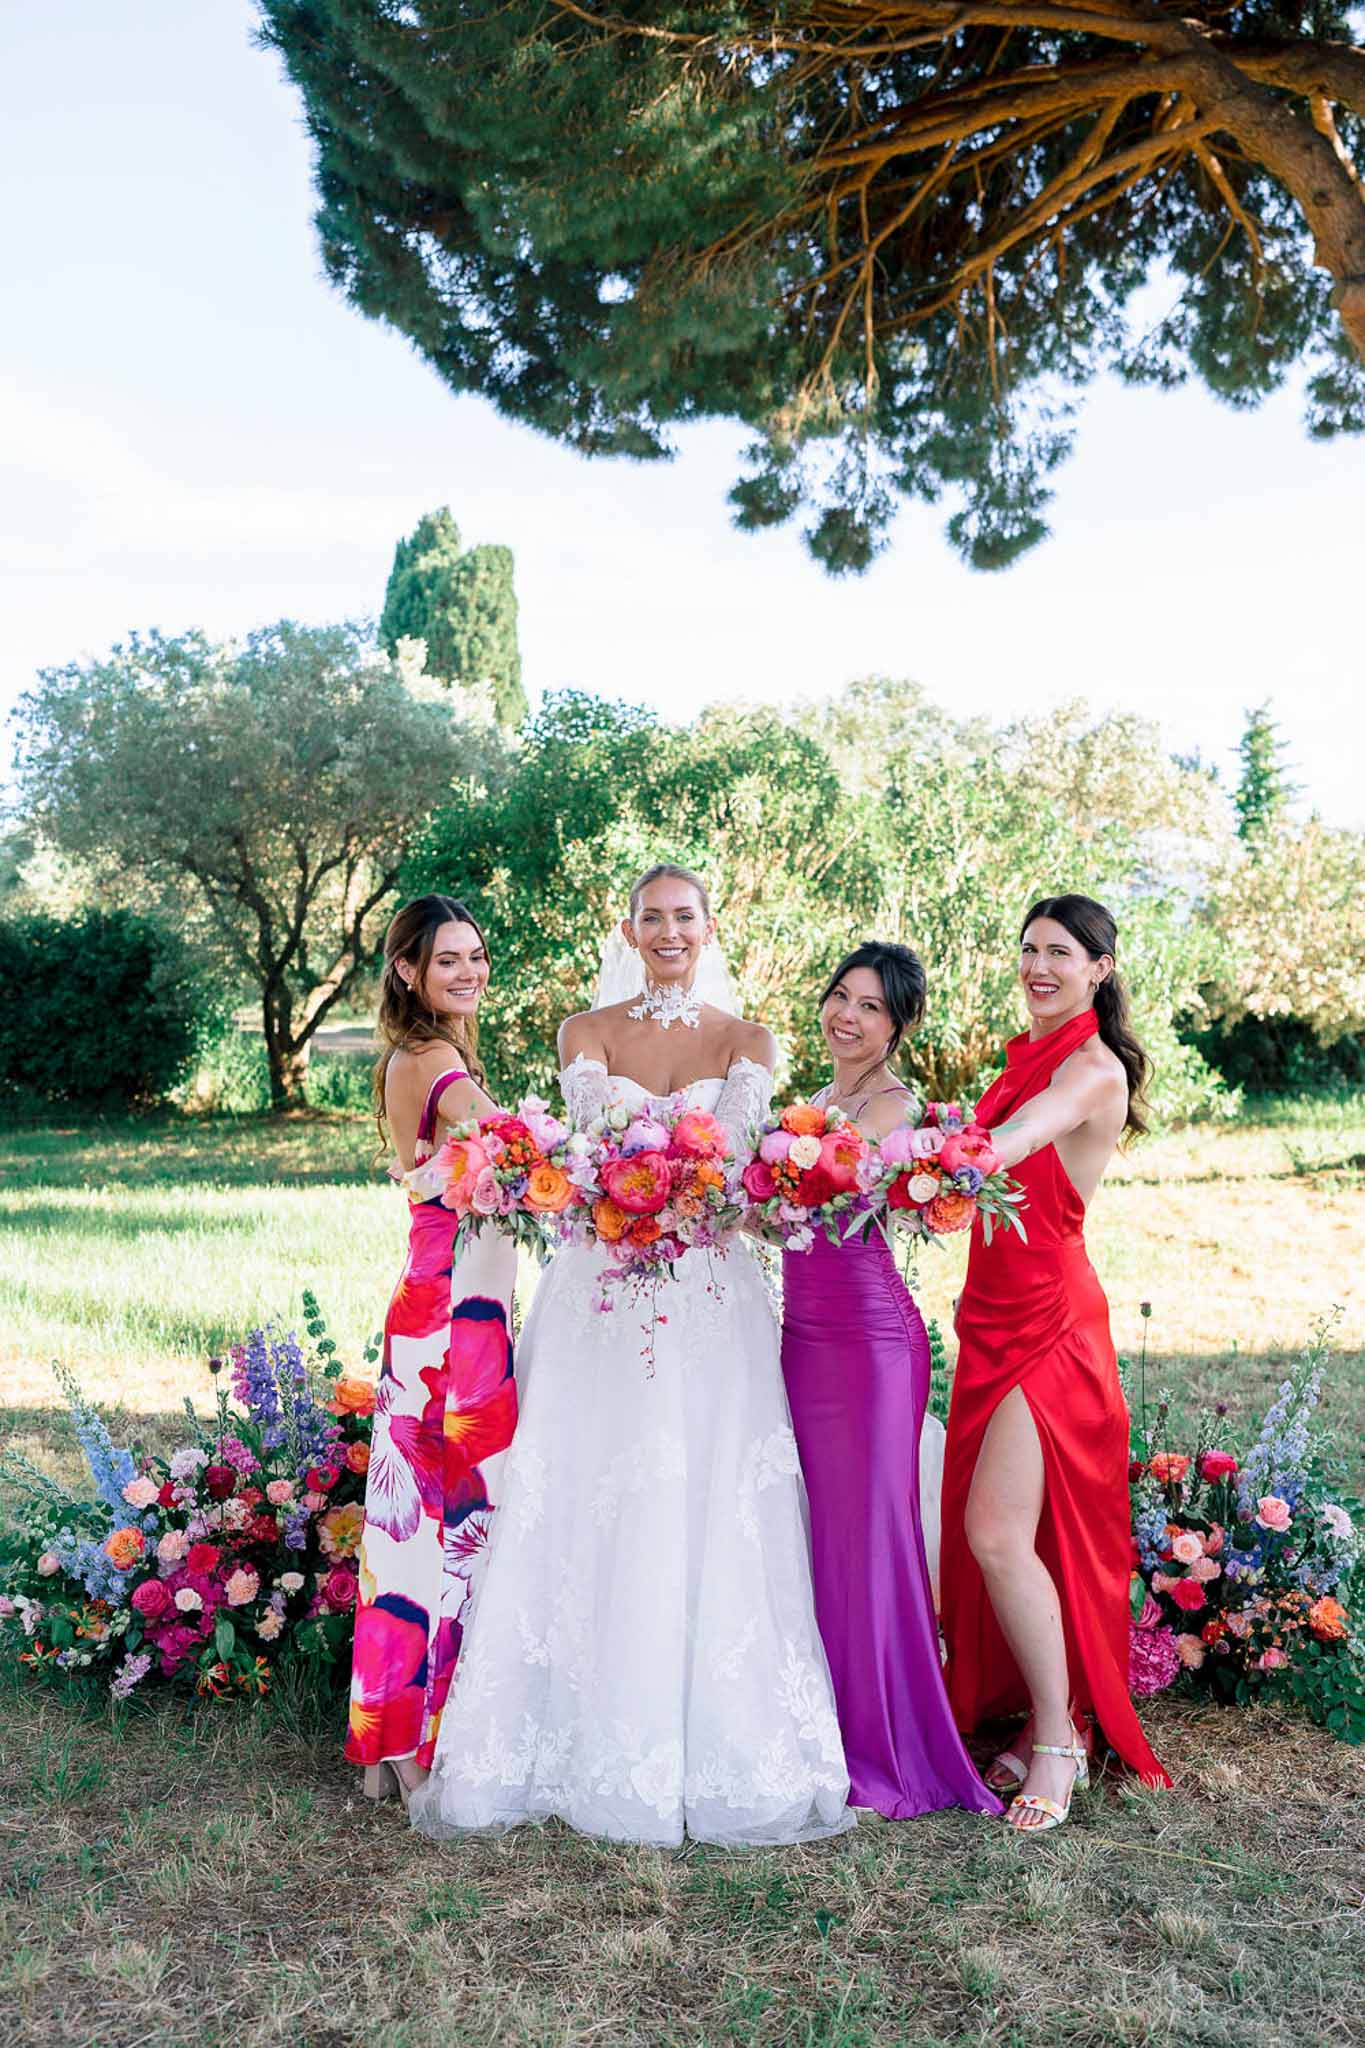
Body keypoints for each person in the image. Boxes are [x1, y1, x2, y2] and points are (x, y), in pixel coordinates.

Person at [409, 864, 851, 1848]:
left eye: (683, 915)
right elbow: (579, 1165)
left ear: (708, 925)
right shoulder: (587, 1031)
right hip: (600, 1290)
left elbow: (742, 1178)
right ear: (629, 925)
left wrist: (719, 1197)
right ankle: (567, 1737)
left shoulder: (750, 1041)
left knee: (704, 1491)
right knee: (590, 1484)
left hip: (708, 1296)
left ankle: (717, 1746)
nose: (667, 930)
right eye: (651, 915)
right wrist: (623, 1195)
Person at [940, 894, 1172, 1833]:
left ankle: (1056, 1741)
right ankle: (1044, 1709)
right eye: (1029, 948)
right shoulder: (1022, 1057)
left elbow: (1014, 1144)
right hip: (988, 1316)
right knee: (1002, 1535)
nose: (1040, 966)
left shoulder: (1089, 1068)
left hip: (1048, 1325)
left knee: (997, 1532)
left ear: (1099, 968)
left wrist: (933, 1164)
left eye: (1061, 953)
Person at [781, 941, 1001, 1821]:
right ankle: (825, 1725)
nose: (847, 1014)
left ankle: (887, 1748)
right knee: (822, 1537)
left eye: (870, 1007)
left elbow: (808, 1185)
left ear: (898, 1026)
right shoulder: (820, 1097)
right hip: (801, 1337)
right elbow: (780, 1214)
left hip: (870, 1345)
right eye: (840, 995)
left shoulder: (892, 1105)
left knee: (873, 1542)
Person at [346, 894, 517, 1806]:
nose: (467, 972)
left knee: (414, 1528)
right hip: (450, 1315)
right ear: (407, 970)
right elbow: (511, 1144)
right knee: (438, 1534)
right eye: (447, 959)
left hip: (446, 1303)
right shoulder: (435, 1059)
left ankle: (386, 1739)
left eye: (477, 956)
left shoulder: (423, 1054)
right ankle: (414, 1747)